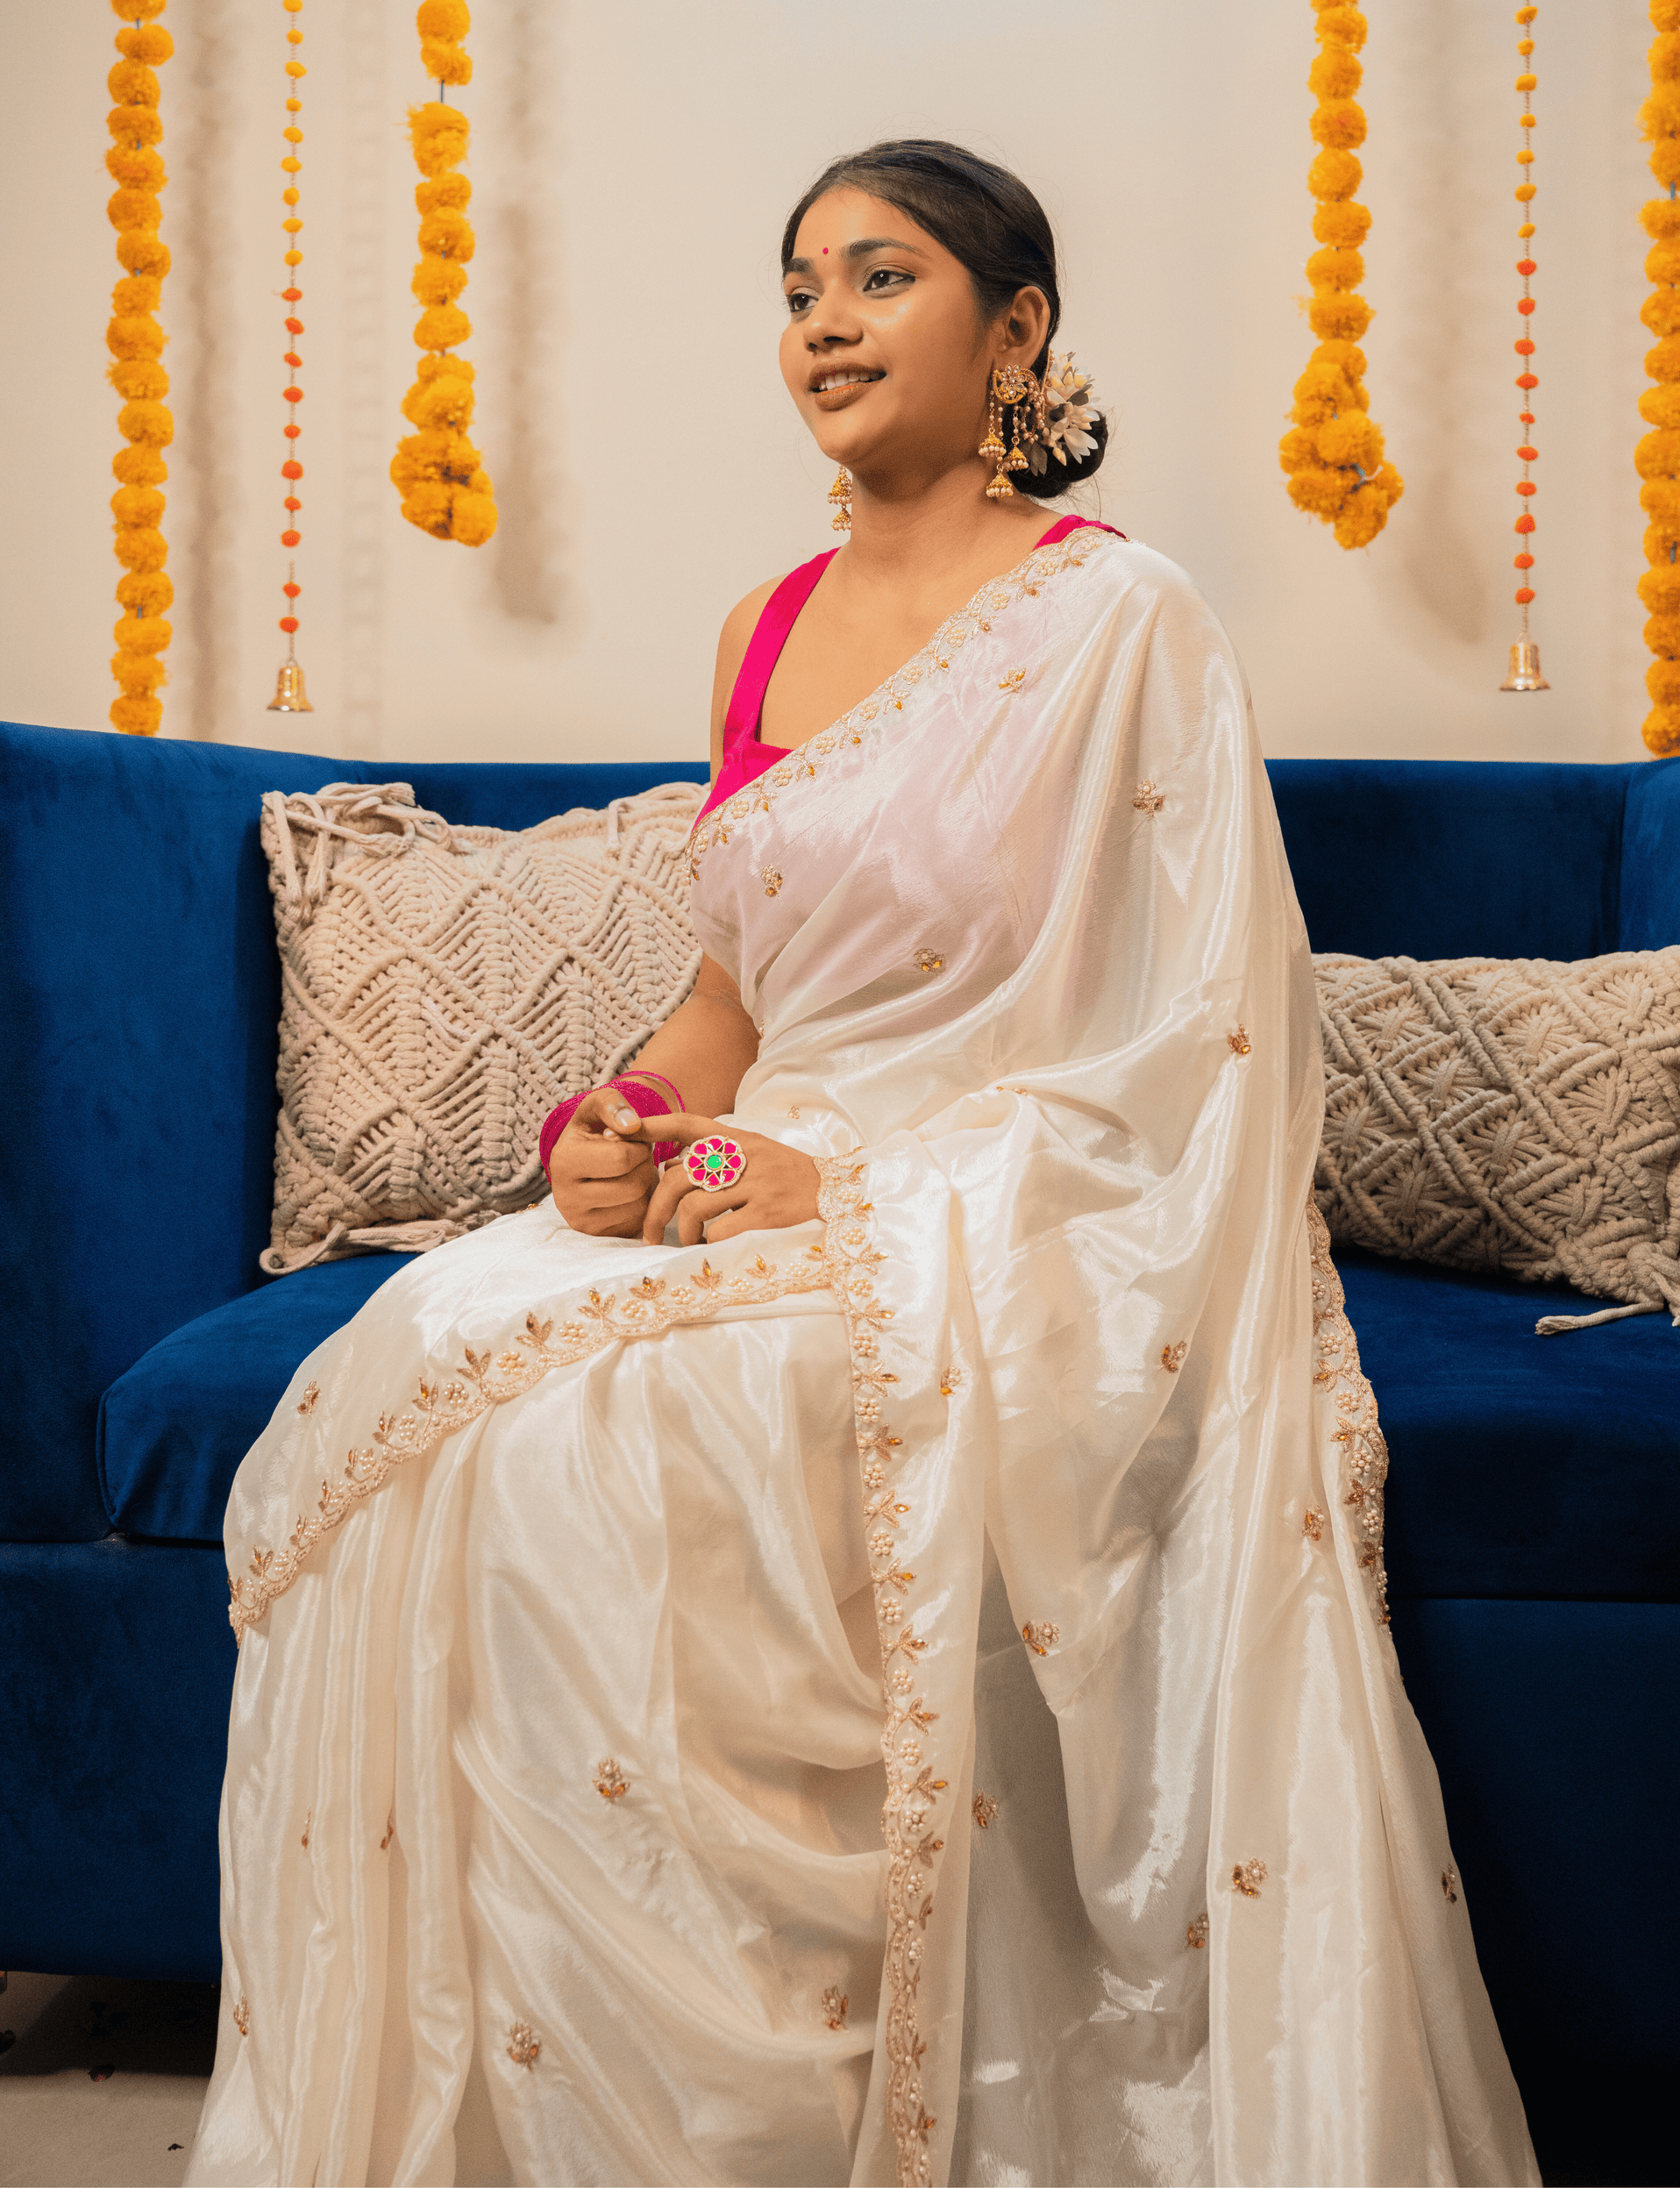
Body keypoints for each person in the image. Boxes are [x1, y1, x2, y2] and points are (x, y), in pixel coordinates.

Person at [188, 140, 1537, 2188]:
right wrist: (612, 1130)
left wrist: (866, 1199)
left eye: (879, 275)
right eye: (798, 284)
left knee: (653, 1424)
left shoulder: (1122, 622)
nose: (821, 321)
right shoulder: (763, 626)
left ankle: (787, 2107)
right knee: (425, 1360)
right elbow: (732, 994)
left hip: (1013, 1204)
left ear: (1016, 330)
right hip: (764, 1160)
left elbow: (1184, 1052)